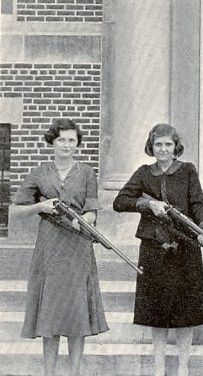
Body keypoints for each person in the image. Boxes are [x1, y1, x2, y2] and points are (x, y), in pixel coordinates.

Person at [10, 118, 108, 376]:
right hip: (50, 247)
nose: (66, 145)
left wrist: (84, 221)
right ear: (52, 142)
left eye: (72, 140)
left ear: (77, 144)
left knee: (77, 313)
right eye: (61, 139)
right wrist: (40, 207)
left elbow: (92, 210)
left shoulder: (86, 172)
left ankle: (74, 372)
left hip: (78, 247)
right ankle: (49, 372)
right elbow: (15, 210)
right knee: (50, 313)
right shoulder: (39, 173)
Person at [113, 123, 203, 376]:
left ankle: (183, 367)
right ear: (151, 147)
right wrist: (147, 204)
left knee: (185, 309)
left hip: (185, 246)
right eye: (158, 144)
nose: (163, 149)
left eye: (168, 144)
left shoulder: (187, 171)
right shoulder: (144, 173)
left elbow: (198, 203)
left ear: (175, 147)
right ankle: (158, 367)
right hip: (154, 247)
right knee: (156, 309)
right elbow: (120, 201)